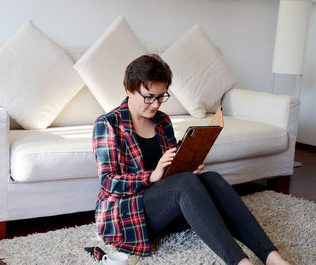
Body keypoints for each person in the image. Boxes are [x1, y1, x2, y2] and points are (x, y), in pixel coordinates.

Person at [92, 54, 291, 265]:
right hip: (128, 213)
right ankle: (240, 263)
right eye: (149, 96)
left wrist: (187, 162)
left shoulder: (162, 121)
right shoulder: (108, 124)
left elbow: (172, 168)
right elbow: (108, 182)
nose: (155, 104)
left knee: (210, 178)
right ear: (130, 89)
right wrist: (152, 176)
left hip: (166, 207)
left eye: (161, 97)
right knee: (184, 184)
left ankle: (272, 257)